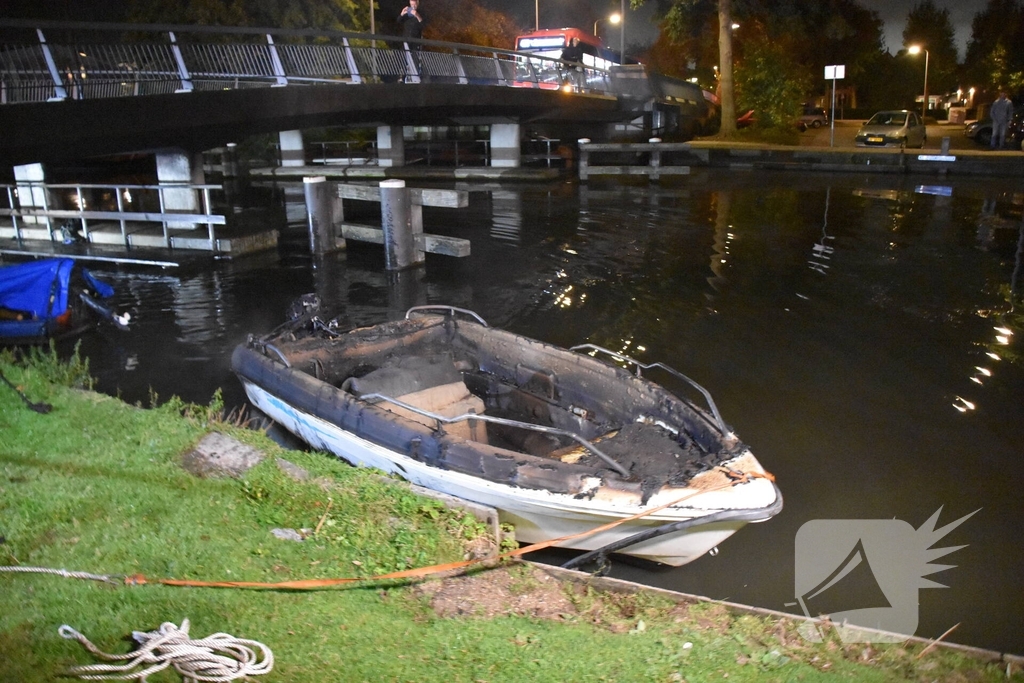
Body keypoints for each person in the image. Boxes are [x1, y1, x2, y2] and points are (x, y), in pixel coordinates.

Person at [398, 0, 426, 79]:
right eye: (412, 4)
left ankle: (415, 77)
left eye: (414, 4)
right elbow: (398, 21)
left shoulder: (421, 13)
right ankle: (402, 77)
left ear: (417, 4)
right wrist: (402, 13)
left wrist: (417, 15)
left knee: (415, 58)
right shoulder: (407, 14)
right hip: (406, 40)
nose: (413, 6)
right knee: (403, 58)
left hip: (415, 41)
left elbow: (423, 25)